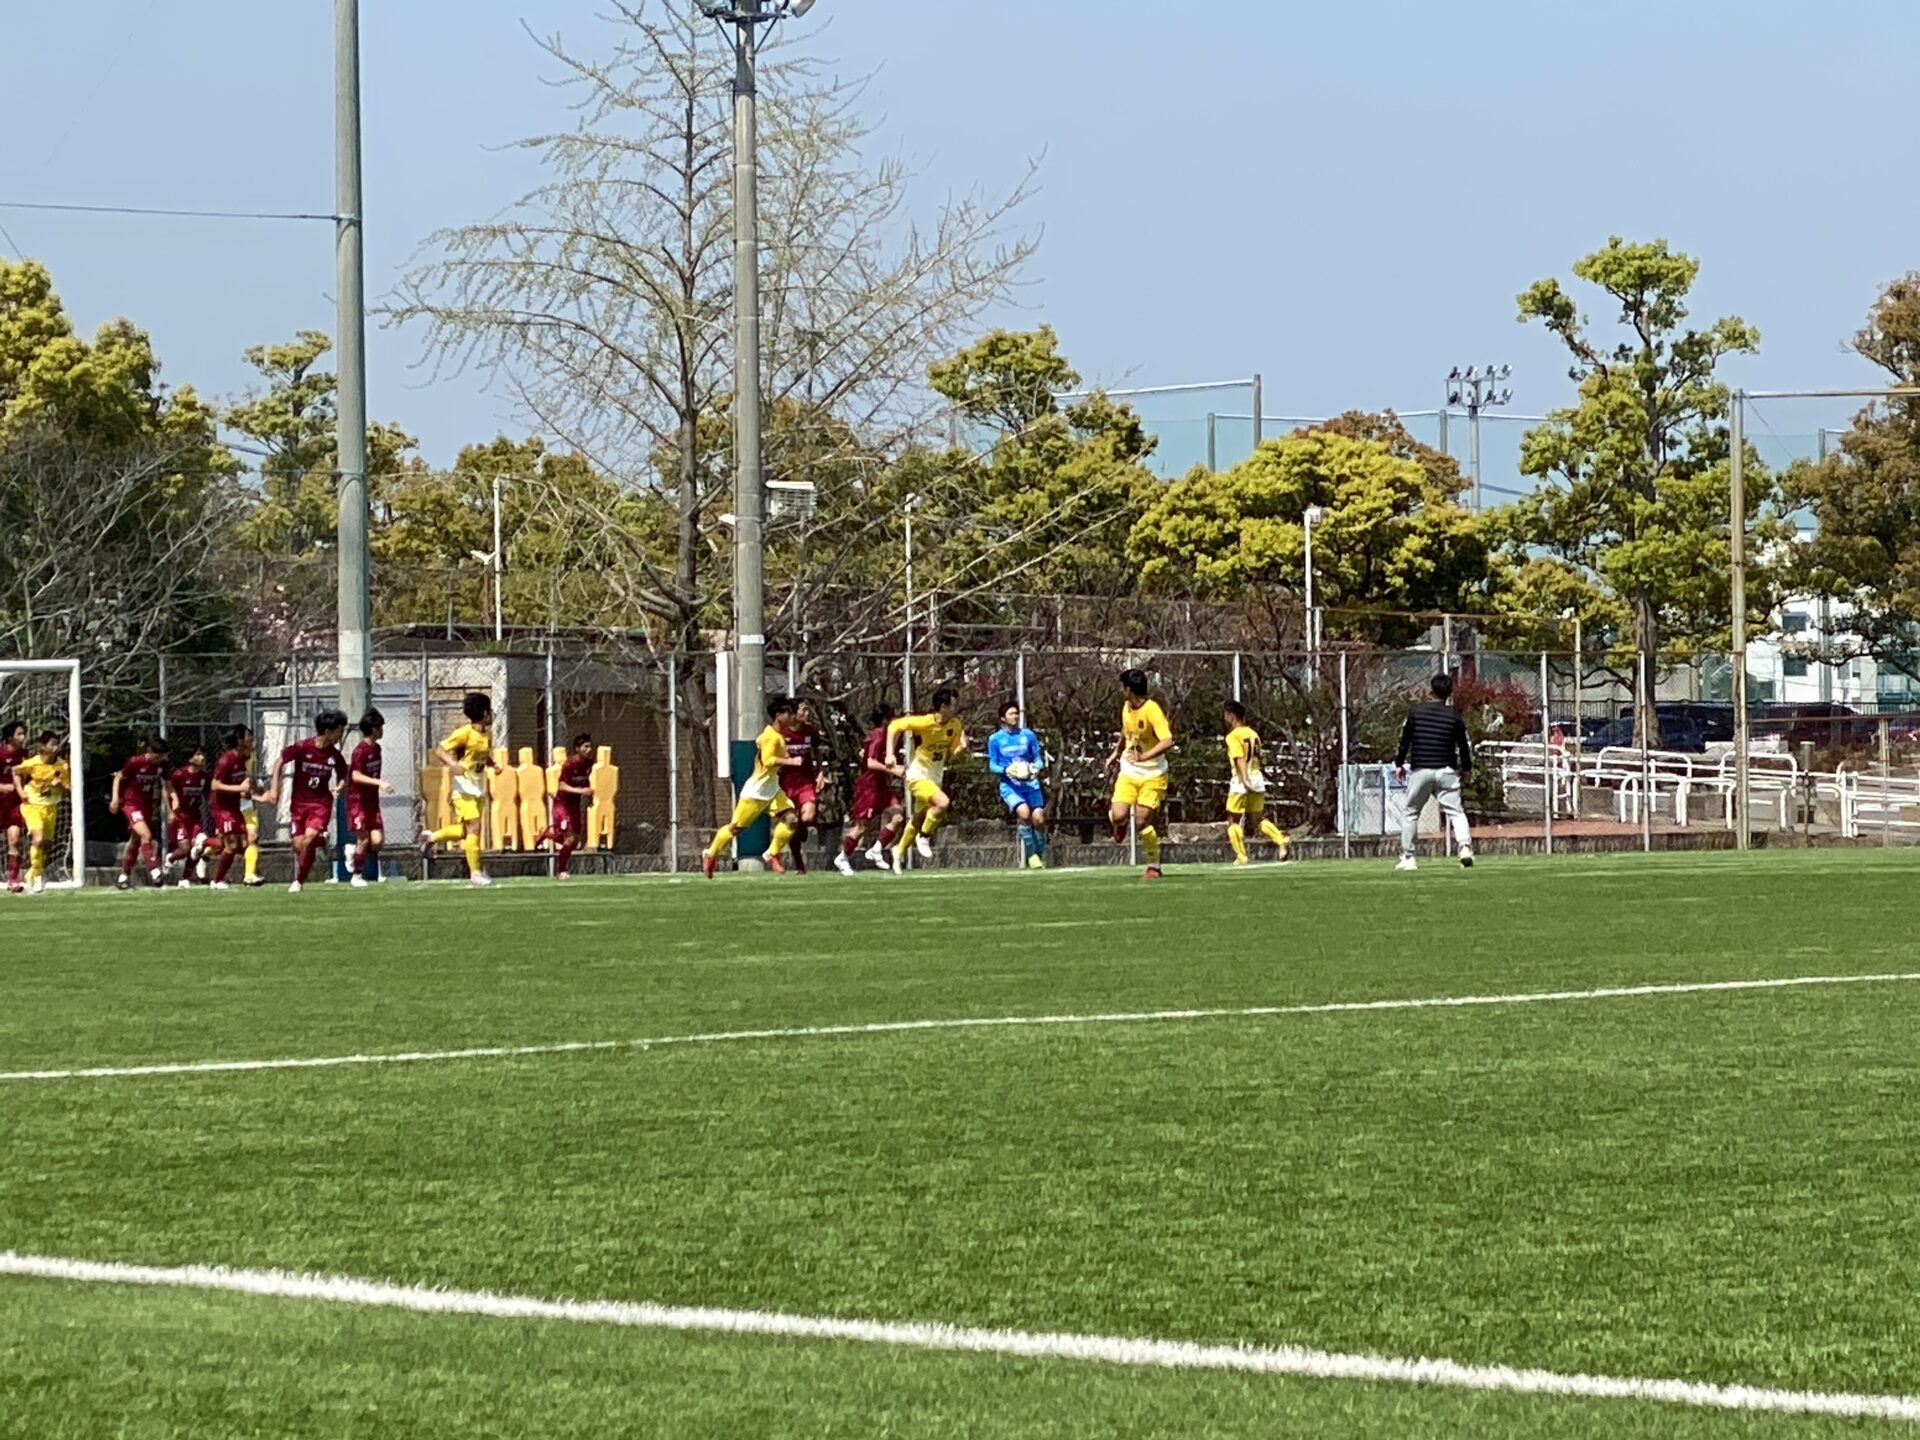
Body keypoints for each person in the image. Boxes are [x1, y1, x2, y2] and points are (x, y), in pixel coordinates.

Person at [703, 698, 803, 878]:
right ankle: (711, 854)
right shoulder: (771, 736)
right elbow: (768, 760)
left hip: (772, 791)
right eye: (789, 713)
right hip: (756, 792)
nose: (792, 717)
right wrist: (791, 761)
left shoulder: (777, 736)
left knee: (792, 819)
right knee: (735, 829)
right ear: (778, 716)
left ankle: (772, 853)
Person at [261, 708, 352, 894]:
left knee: (308, 839)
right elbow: (279, 762)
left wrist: (339, 787)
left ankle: (298, 881)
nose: (340, 736)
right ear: (328, 731)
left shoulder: (334, 755)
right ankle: (322, 839)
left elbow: (343, 775)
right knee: (298, 844)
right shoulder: (303, 747)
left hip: (321, 804)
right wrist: (274, 788)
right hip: (299, 804)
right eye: (339, 731)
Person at [1394, 672, 1476, 872]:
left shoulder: (1416, 713)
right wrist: (1467, 769)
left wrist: (1399, 763)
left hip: (1421, 769)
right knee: (1456, 812)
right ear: (1450, 692)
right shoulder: (1454, 716)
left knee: (1411, 813)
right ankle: (1465, 847)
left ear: (1431, 690)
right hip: (1446, 770)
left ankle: (1408, 857)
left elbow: (1405, 740)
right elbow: (1463, 746)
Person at [418, 692, 498, 888]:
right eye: (489, 710)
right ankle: (475, 873)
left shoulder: (487, 734)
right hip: (463, 788)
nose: (491, 714)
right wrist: (454, 764)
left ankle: (432, 837)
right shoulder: (464, 732)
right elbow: (440, 750)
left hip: (478, 787)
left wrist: (493, 764)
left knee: (466, 831)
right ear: (484, 713)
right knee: (475, 827)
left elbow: (480, 755)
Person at [886, 687, 967, 872]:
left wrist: (961, 748)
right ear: (942, 707)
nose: (955, 708)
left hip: (935, 777)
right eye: (953, 705)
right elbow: (893, 726)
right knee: (943, 803)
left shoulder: (955, 725)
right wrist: (890, 754)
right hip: (917, 775)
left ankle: (898, 851)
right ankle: (924, 837)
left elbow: (952, 753)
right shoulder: (925, 722)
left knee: (919, 818)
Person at [1106, 669, 1174, 880]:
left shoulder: (1152, 710)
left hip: (1153, 774)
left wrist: (1145, 757)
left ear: (1129, 689)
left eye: (1123, 687)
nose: (1121, 691)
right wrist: (1116, 752)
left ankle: (1154, 864)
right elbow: (1126, 730)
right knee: (1118, 815)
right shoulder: (1127, 707)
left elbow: (1168, 740)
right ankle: (1119, 824)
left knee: (1142, 821)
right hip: (1129, 771)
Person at [837, 706, 903, 876]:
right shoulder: (878, 735)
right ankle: (843, 857)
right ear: (886, 720)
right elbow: (870, 762)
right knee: (862, 826)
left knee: (898, 815)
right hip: (869, 787)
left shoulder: (888, 737)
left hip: (881, 786)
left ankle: (876, 849)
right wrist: (893, 770)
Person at [1222, 701, 1290, 866]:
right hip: (1257, 778)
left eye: (1226, 715)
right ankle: (1281, 840)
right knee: (1257, 819)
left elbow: (1239, 758)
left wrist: (1244, 779)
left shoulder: (1232, 736)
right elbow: (1259, 758)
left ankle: (1241, 856)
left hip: (1241, 780)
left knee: (1233, 820)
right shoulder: (1254, 734)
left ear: (1231, 716)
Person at [986, 699, 1049, 870]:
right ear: (1003, 718)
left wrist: (1035, 768)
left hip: (1031, 784)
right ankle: (1031, 855)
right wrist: (1006, 770)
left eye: (1017, 713)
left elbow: (1038, 759)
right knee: (1024, 814)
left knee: (1039, 819)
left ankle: (1039, 853)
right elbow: (992, 765)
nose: (1015, 716)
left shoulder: (1028, 735)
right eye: (1011, 714)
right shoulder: (995, 739)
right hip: (1010, 786)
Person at [532, 733, 595, 880]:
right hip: (562, 804)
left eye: (590, 746)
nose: (589, 749)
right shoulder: (569, 765)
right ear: (577, 748)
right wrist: (581, 791)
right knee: (570, 839)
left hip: (574, 805)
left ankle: (547, 833)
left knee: (575, 841)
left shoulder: (588, 764)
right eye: (585, 746)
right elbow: (561, 786)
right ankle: (561, 870)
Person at [206, 726, 262, 891]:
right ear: (239, 740)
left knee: (243, 843)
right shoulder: (226, 760)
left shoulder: (243, 758)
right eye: (248, 736)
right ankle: (217, 880)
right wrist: (240, 789)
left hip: (234, 806)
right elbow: (215, 785)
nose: (251, 739)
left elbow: (242, 780)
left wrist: (253, 788)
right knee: (231, 845)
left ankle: (247, 875)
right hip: (222, 808)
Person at [111, 734, 170, 890]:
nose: (160, 758)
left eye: (163, 755)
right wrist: (115, 798)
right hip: (131, 804)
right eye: (158, 755)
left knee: (136, 840)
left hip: (146, 805)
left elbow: (168, 784)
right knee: (146, 835)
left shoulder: (163, 765)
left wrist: (173, 802)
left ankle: (124, 876)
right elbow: (118, 777)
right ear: (150, 751)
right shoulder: (135, 762)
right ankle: (155, 871)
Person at [14, 730, 70, 895]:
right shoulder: (33, 763)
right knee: (37, 839)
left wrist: (59, 784)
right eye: (52, 744)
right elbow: (15, 772)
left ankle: (31, 873)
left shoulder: (62, 766)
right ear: (43, 746)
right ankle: (37, 878)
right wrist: (20, 792)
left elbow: (67, 789)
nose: (56, 747)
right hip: (32, 805)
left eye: (57, 744)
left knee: (45, 844)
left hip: (50, 807)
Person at [347, 709, 396, 888]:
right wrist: (379, 782)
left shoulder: (377, 749)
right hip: (357, 802)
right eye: (380, 727)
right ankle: (356, 876)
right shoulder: (359, 751)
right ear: (373, 729)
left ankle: (353, 852)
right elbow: (356, 776)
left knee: (377, 842)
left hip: (372, 802)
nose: (382, 730)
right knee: (364, 839)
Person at [779, 698, 827, 874]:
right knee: (791, 823)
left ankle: (801, 826)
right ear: (793, 712)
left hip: (806, 782)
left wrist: (820, 773)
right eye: (803, 709)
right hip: (785, 783)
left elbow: (817, 752)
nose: (806, 713)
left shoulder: (811, 731)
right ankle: (799, 863)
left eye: (807, 709)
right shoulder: (781, 732)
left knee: (807, 818)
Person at [165, 743, 212, 885]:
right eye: (198, 754)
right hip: (181, 817)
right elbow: (166, 790)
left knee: (199, 846)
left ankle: (185, 878)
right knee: (185, 849)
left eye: (202, 754)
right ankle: (170, 858)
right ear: (190, 759)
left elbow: (208, 795)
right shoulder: (179, 775)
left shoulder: (205, 777)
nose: (202, 757)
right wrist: (170, 811)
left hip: (195, 816)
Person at [0, 719, 27, 894]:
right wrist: (2, 787)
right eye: (19, 734)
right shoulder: (1, 754)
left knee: (14, 839)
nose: (23, 737)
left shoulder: (25, 755)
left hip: (15, 805)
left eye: (24, 733)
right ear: (10, 737)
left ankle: (13, 879)